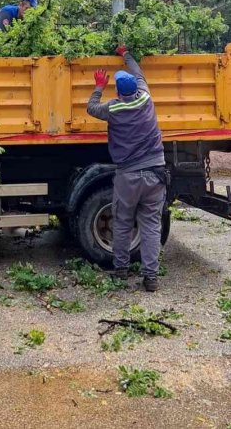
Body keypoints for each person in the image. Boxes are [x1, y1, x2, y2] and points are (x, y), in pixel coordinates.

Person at [86, 45, 167, 292]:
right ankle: (151, 278)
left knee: (122, 223)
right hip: (155, 172)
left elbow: (91, 108)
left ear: (118, 93)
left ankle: (120, 272)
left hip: (128, 176)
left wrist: (99, 85)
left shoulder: (113, 109)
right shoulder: (146, 97)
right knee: (152, 225)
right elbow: (139, 72)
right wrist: (125, 54)